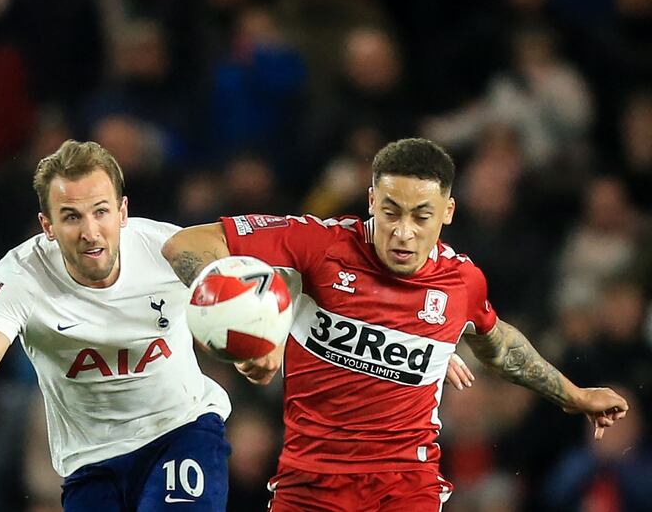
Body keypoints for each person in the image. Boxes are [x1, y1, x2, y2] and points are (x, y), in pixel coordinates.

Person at [160, 137, 629, 511]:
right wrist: (246, 327)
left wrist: (574, 395)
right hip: (309, 485)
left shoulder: (462, 282)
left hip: (407, 487)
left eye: (421, 216)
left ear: (447, 212)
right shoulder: (319, 245)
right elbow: (187, 245)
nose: (403, 232)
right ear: (371, 201)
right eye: (391, 212)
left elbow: (497, 342)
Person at [0, 140, 232, 511]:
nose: (90, 231)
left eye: (101, 211)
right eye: (72, 216)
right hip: (91, 462)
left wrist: (258, 344)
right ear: (47, 225)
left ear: (122, 212)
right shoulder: (20, 276)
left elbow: (242, 290)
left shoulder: (168, 250)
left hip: (183, 430)